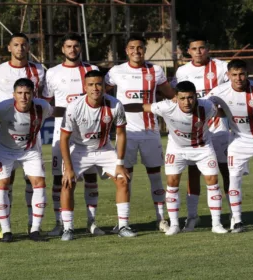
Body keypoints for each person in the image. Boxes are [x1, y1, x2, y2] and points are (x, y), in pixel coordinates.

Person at [134, 81, 227, 235]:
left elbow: (223, 112)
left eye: (190, 98)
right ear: (175, 98)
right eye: (182, 98)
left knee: (212, 181)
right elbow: (142, 107)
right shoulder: (166, 106)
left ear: (196, 97)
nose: (187, 102)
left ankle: (216, 224)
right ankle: (175, 225)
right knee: (172, 182)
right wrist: (116, 107)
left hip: (202, 148)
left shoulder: (207, 106)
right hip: (176, 149)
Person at [104, 35, 175, 233]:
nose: (136, 51)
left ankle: (161, 219)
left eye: (140, 48)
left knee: (155, 176)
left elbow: (169, 94)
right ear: (126, 51)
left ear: (144, 49)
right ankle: (123, 221)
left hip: (151, 132)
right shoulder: (116, 71)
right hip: (125, 133)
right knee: (124, 177)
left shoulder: (156, 70)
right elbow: (101, 91)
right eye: (132, 48)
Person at [59, 70, 136, 241]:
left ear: (104, 86)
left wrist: (120, 163)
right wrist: (68, 168)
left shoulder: (115, 105)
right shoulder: (74, 107)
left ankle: (123, 226)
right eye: (91, 84)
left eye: (99, 84)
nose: (95, 88)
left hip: (104, 149)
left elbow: (121, 134)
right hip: (79, 149)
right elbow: (64, 139)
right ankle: (68, 229)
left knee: (123, 179)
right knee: (67, 183)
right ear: (85, 87)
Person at [0, 78, 51, 242]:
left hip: (30, 150)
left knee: (39, 183)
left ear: (33, 94)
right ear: (14, 94)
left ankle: (35, 229)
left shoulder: (43, 107)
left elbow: (56, 112)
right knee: (2, 185)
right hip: (4, 150)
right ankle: (6, 231)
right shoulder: (3, 108)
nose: (24, 97)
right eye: (20, 93)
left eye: (27, 93)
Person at [42, 33, 103, 236]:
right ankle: (60, 223)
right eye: (68, 46)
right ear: (62, 49)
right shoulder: (52, 73)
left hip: (90, 133)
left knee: (90, 176)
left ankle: (91, 222)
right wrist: (67, 112)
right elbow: (46, 103)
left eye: (76, 46)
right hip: (63, 134)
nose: (72, 50)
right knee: (60, 179)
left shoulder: (91, 70)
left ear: (80, 48)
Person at [0, 32, 45, 233]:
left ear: (28, 48)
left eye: (23, 45)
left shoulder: (39, 70)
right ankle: (6, 228)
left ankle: (32, 224)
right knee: (6, 181)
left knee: (32, 180)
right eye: (16, 45)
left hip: (31, 135)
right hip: (7, 131)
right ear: (9, 48)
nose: (20, 48)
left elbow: (46, 98)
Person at [173, 35, 230, 231]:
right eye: (194, 48)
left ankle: (233, 215)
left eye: (202, 48)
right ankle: (192, 216)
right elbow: (177, 95)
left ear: (208, 49)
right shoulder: (182, 71)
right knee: (194, 170)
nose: (198, 51)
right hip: (194, 128)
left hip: (218, 126)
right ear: (188, 51)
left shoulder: (222, 67)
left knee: (224, 170)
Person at [206, 59, 253, 233]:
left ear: (247, 74)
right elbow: (202, 105)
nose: (239, 78)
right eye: (234, 74)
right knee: (234, 178)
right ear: (228, 75)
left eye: (242, 74)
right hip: (238, 140)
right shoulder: (218, 92)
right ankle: (237, 220)